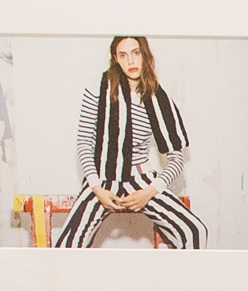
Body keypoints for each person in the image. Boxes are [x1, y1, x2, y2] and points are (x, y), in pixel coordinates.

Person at [52, 34, 199, 248]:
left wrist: (148, 193)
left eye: (136, 53)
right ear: (116, 59)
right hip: (101, 181)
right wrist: (96, 188)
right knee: (67, 246)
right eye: (123, 55)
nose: (130, 61)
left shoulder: (159, 98)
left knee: (193, 231)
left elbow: (176, 158)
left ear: (145, 55)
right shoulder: (99, 86)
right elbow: (84, 142)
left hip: (140, 182)